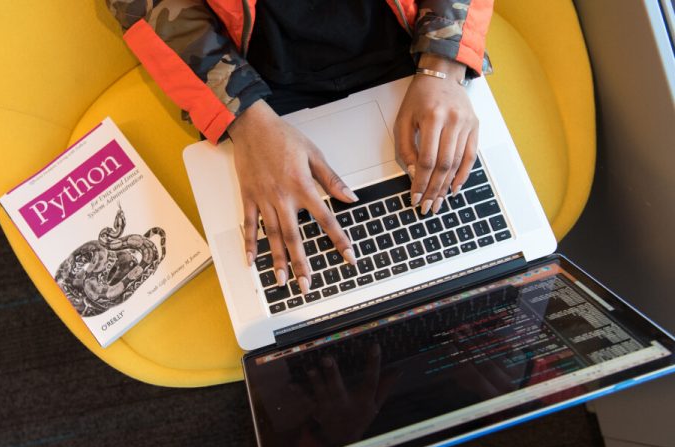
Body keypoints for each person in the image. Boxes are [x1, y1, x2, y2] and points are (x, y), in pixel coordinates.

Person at [106, 0, 493, 296]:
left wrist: (444, 62)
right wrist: (241, 114)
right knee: (306, 301)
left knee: (481, 274)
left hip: (416, 51)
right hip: (255, 89)